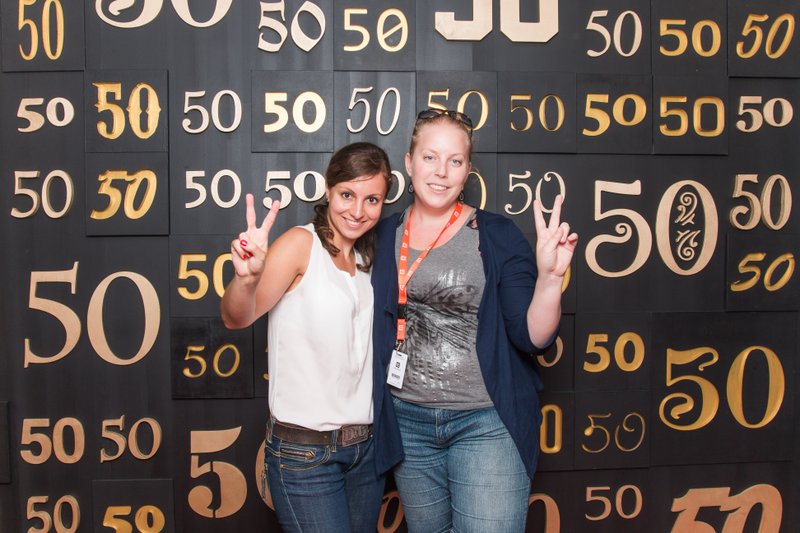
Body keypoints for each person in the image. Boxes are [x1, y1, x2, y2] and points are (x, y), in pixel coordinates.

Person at [370, 109, 578, 532]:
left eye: (455, 161)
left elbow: (533, 338)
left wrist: (550, 279)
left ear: (467, 171)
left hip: (485, 422)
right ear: (408, 163)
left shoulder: (497, 235)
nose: (441, 172)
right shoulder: (382, 234)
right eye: (430, 157)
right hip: (408, 422)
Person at [221, 142, 393, 533]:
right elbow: (236, 317)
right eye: (347, 195)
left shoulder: (368, 259)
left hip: (365, 451)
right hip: (306, 454)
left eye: (372, 200)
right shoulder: (301, 245)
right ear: (328, 189)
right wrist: (246, 280)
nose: (357, 211)